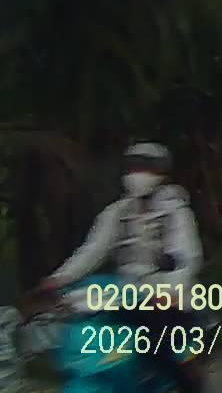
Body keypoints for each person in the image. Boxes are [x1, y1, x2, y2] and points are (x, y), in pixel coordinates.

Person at [37, 143, 206, 392]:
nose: (137, 174)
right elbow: (93, 250)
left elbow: (187, 257)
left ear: (161, 173)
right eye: (133, 167)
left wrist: (169, 288)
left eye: (145, 168)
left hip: (166, 295)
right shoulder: (117, 211)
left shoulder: (175, 211)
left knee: (171, 351)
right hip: (123, 294)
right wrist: (59, 278)